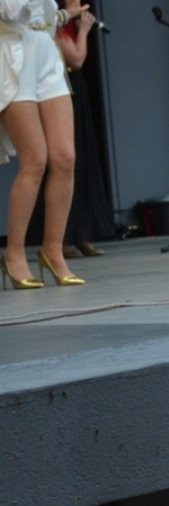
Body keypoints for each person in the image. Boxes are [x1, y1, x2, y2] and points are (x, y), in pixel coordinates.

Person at [0, 0, 88, 289]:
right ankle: (14, 254)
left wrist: (65, 14)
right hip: (13, 51)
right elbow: (11, 11)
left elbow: (42, 13)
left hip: (46, 52)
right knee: (34, 160)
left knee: (65, 158)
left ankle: (53, 249)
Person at [51, 0, 114, 259]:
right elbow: (76, 59)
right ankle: (61, 240)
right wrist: (84, 32)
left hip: (77, 90)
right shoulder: (54, 25)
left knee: (82, 163)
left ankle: (83, 234)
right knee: (63, 164)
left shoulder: (64, 27)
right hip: (60, 89)